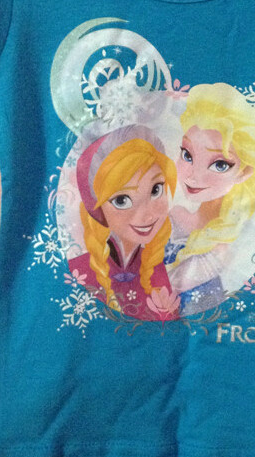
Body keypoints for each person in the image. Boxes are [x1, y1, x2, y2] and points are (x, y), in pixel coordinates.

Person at [166, 82, 255, 315]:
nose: (194, 176)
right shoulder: (174, 216)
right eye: (187, 155)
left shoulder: (225, 246)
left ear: (244, 172)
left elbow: (165, 289)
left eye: (220, 165)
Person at [69, 124, 180, 321]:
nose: (147, 215)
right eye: (121, 200)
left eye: (156, 190)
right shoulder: (79, 272)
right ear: (97, 208)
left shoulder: (157, 268)